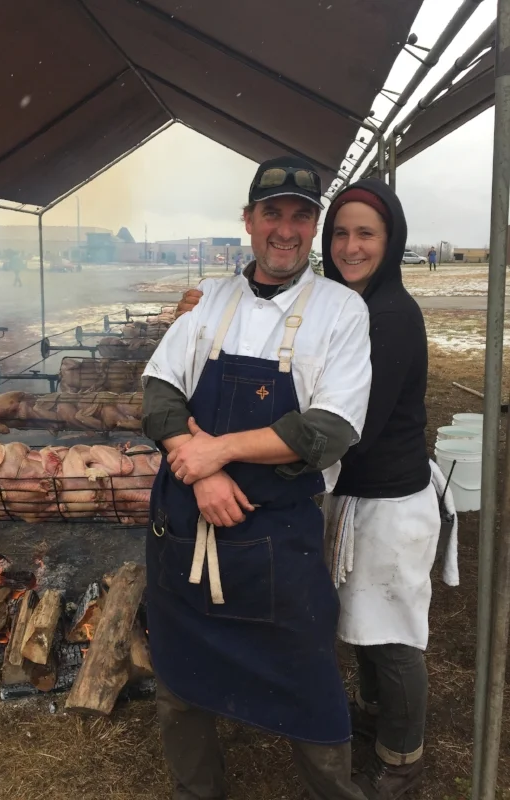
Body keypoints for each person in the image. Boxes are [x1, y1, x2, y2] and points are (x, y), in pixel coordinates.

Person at [176, 179, 455, 800]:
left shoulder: (388, 317)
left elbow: (346, 429)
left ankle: (401, 754)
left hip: (389, 501)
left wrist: (229, 457)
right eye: (342, 234)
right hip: (349, 497)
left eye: (367, 234)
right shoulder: (337, 304)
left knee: (392, 632)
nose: (351, 247)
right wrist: (209, 313)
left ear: (392, 241)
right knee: (358, 620)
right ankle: (373, 718)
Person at [142, 156, 373, 800]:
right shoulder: (210, 300)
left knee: (311, 688)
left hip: (277, 543)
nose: (286, 230)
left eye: (302, 216)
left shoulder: (340, 313)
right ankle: (198, 791)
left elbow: (328, 428)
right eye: (273, 213)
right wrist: (201, 473)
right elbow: (159, 394)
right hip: (186, 531)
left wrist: (215, 451)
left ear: (315, 227)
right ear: (248, 220)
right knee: (180, 687)